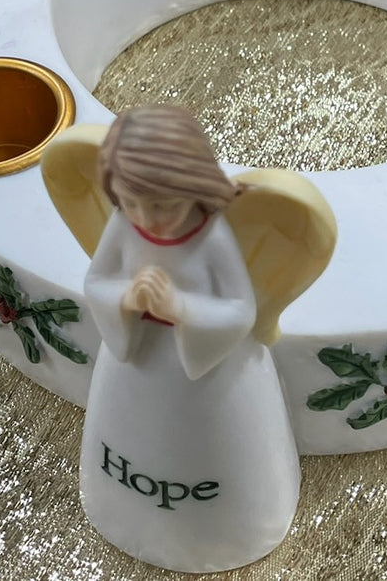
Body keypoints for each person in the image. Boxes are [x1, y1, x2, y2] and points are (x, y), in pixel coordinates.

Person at [71, 106, 316, 572]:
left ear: (192, 184)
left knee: (212, 448)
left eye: (164, 205)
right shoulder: (124, 224)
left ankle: (224, 526)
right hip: (134, 362)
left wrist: (180, 308)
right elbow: (98, 280)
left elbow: (240, 308)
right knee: (137, 438)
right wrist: (127, 297)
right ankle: (128, 504)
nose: (148, 218)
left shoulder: (213, 237)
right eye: (132, 202)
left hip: (210, 371)